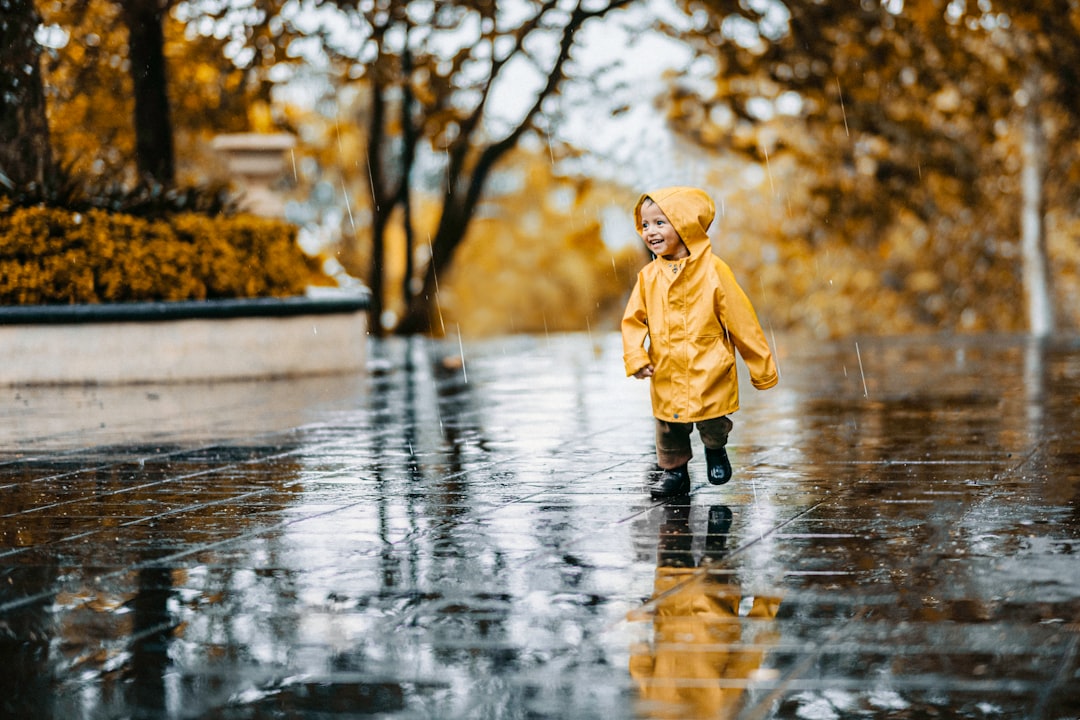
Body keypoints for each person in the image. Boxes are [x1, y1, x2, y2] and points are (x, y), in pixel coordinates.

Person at [622, 186, 778, 498]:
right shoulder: (648, 277)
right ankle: (674, 472)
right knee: (669, 426)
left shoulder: (714, 271)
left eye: (659, 223)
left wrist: (761, 367)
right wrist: (636, 357)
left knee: (713, 419)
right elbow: (632, 320)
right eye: (644, 225)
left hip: (709, 366)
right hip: (666, 368)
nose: (650, 231)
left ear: (685, 225)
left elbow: (741, 320)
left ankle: (716, 449)